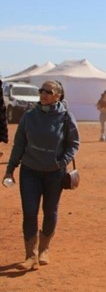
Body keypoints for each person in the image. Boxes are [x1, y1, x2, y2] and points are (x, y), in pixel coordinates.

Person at [2, 80, 80, 270]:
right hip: (30, 171)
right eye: (41, 90)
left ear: (58, 95)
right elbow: (19, 144)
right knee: (29, 212)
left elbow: (73, 144)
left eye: (48, 91)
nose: (43, 94)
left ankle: (44, 249)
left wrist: (61, 162)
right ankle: (31, 255)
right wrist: (10, 169)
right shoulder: (29, 116)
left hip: (54, 174)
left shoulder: (66, 117)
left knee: (50, 211)